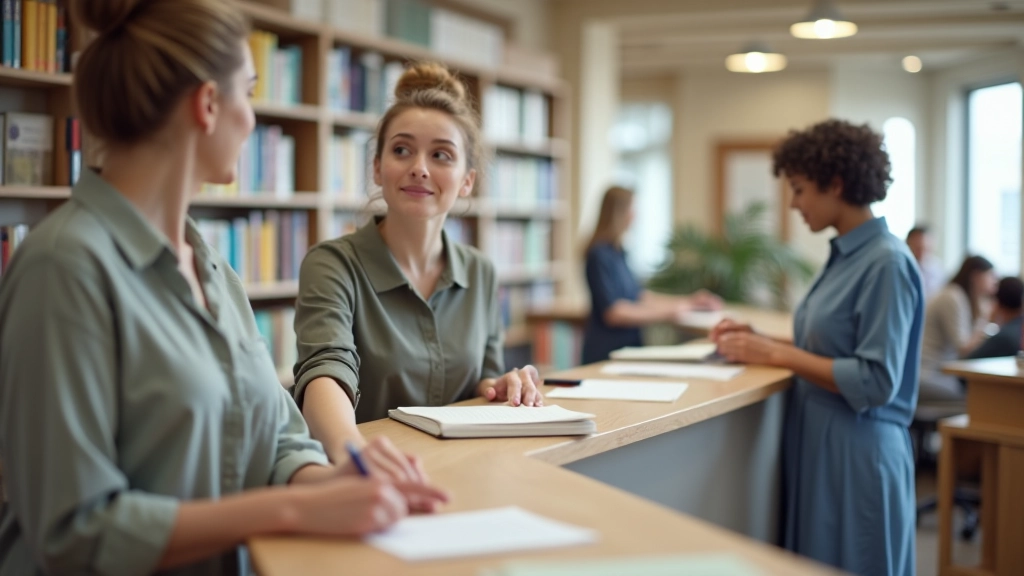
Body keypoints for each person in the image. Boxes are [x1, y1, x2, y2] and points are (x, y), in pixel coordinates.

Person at [0, 2, 447, 575]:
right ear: (209, 105)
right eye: (250, 94)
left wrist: (336, 482)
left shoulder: (213, 271)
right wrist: (291, 508)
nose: (255, 121)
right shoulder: (63, 270)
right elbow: (75, 531)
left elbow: (279, 439)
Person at [292, 62, 544, 475]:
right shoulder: (332, 264)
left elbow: (485, 377)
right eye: (402, 150)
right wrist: (355, 456)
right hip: (367, 477)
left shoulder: (480, 272)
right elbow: (325, 372)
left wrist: (501, 387)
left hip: (463, 470)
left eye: (441, 154)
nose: (420, 167)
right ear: (377, 167)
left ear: (467, 180)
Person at [711, 119, 923, 576]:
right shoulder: (845, 254)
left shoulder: (886, 262)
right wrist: (759, 339)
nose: (793, 203)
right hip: (821, 444)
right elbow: (827, 344)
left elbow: (876, 379)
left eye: (800, 189)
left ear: (837, 184)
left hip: (859, 452)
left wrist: (776, 354)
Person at [581, 186, 722, 364]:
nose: (635, 215)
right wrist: (670, 312)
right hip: (606, 351)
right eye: (632, 209)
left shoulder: (618, 252)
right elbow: (615, 312)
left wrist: (689, 302)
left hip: (629, 346)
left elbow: (639, 296)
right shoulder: (599, 255)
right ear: (619, 213)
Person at [919, 255, 998, 401]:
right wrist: (985, 317)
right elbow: (963, 348)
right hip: (930, 374)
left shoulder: (960, 296)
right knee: (979, 401)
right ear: (976, 276)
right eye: (991, 276)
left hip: (941, 372)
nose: (994, 282)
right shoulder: (953, 296)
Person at [966, 276, 1022, 359]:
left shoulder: (1003, 338)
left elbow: (966, 361)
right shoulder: (1018, 330)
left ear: (997, 303)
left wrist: (985, 320)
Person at [906, 225, 945, 301]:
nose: (921, 252)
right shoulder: (902, 267)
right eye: (917, 247)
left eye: (924, 247)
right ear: (908, 244)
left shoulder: (938, 269)